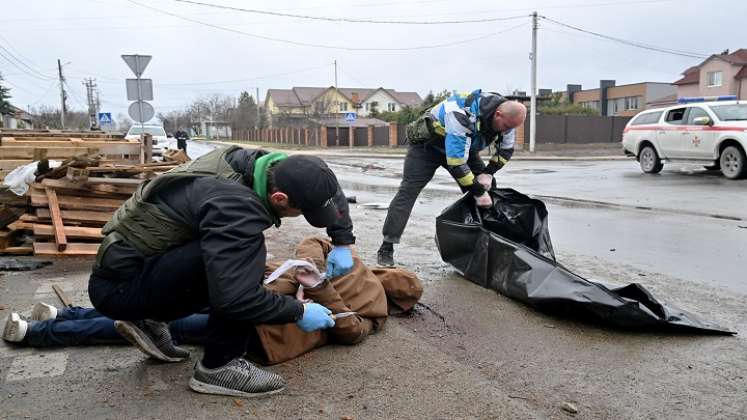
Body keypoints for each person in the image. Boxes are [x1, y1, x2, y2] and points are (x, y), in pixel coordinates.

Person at [87, 145, 357, 398]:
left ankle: (148, 318)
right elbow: (235, 299)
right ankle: (219, 366)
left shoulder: (259, 164)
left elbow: (323, 185)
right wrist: (298, 312)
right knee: (243, 263)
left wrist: (342, 240)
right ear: (279, 198)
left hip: (133, 266)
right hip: (119, 289)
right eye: (302, 211)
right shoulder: (236, 206)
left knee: (237, 256)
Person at [3, 237, 423, 366]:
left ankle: (53, 322)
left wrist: (314, 281)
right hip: (258, 317)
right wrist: (312, 272)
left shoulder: (360, 276)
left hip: (252, 304)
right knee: (160, 321)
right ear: (400, 304)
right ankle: (45, 327)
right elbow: (350, 331)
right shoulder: (369, 293)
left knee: (156, 316)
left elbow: (347, 326)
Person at [377, 89, 527, 266]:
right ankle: (387, 247)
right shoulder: (460, 113)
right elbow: (456, 164)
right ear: (498, 114)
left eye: (511, 128)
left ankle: (488, 245)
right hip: (427, 148)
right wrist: (478, 191)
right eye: (506, 127)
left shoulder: (508, 119)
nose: (508, 131)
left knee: (490, 188)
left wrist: (488, 173)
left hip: (463, 148)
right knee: (408, 192)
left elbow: (505, 151)